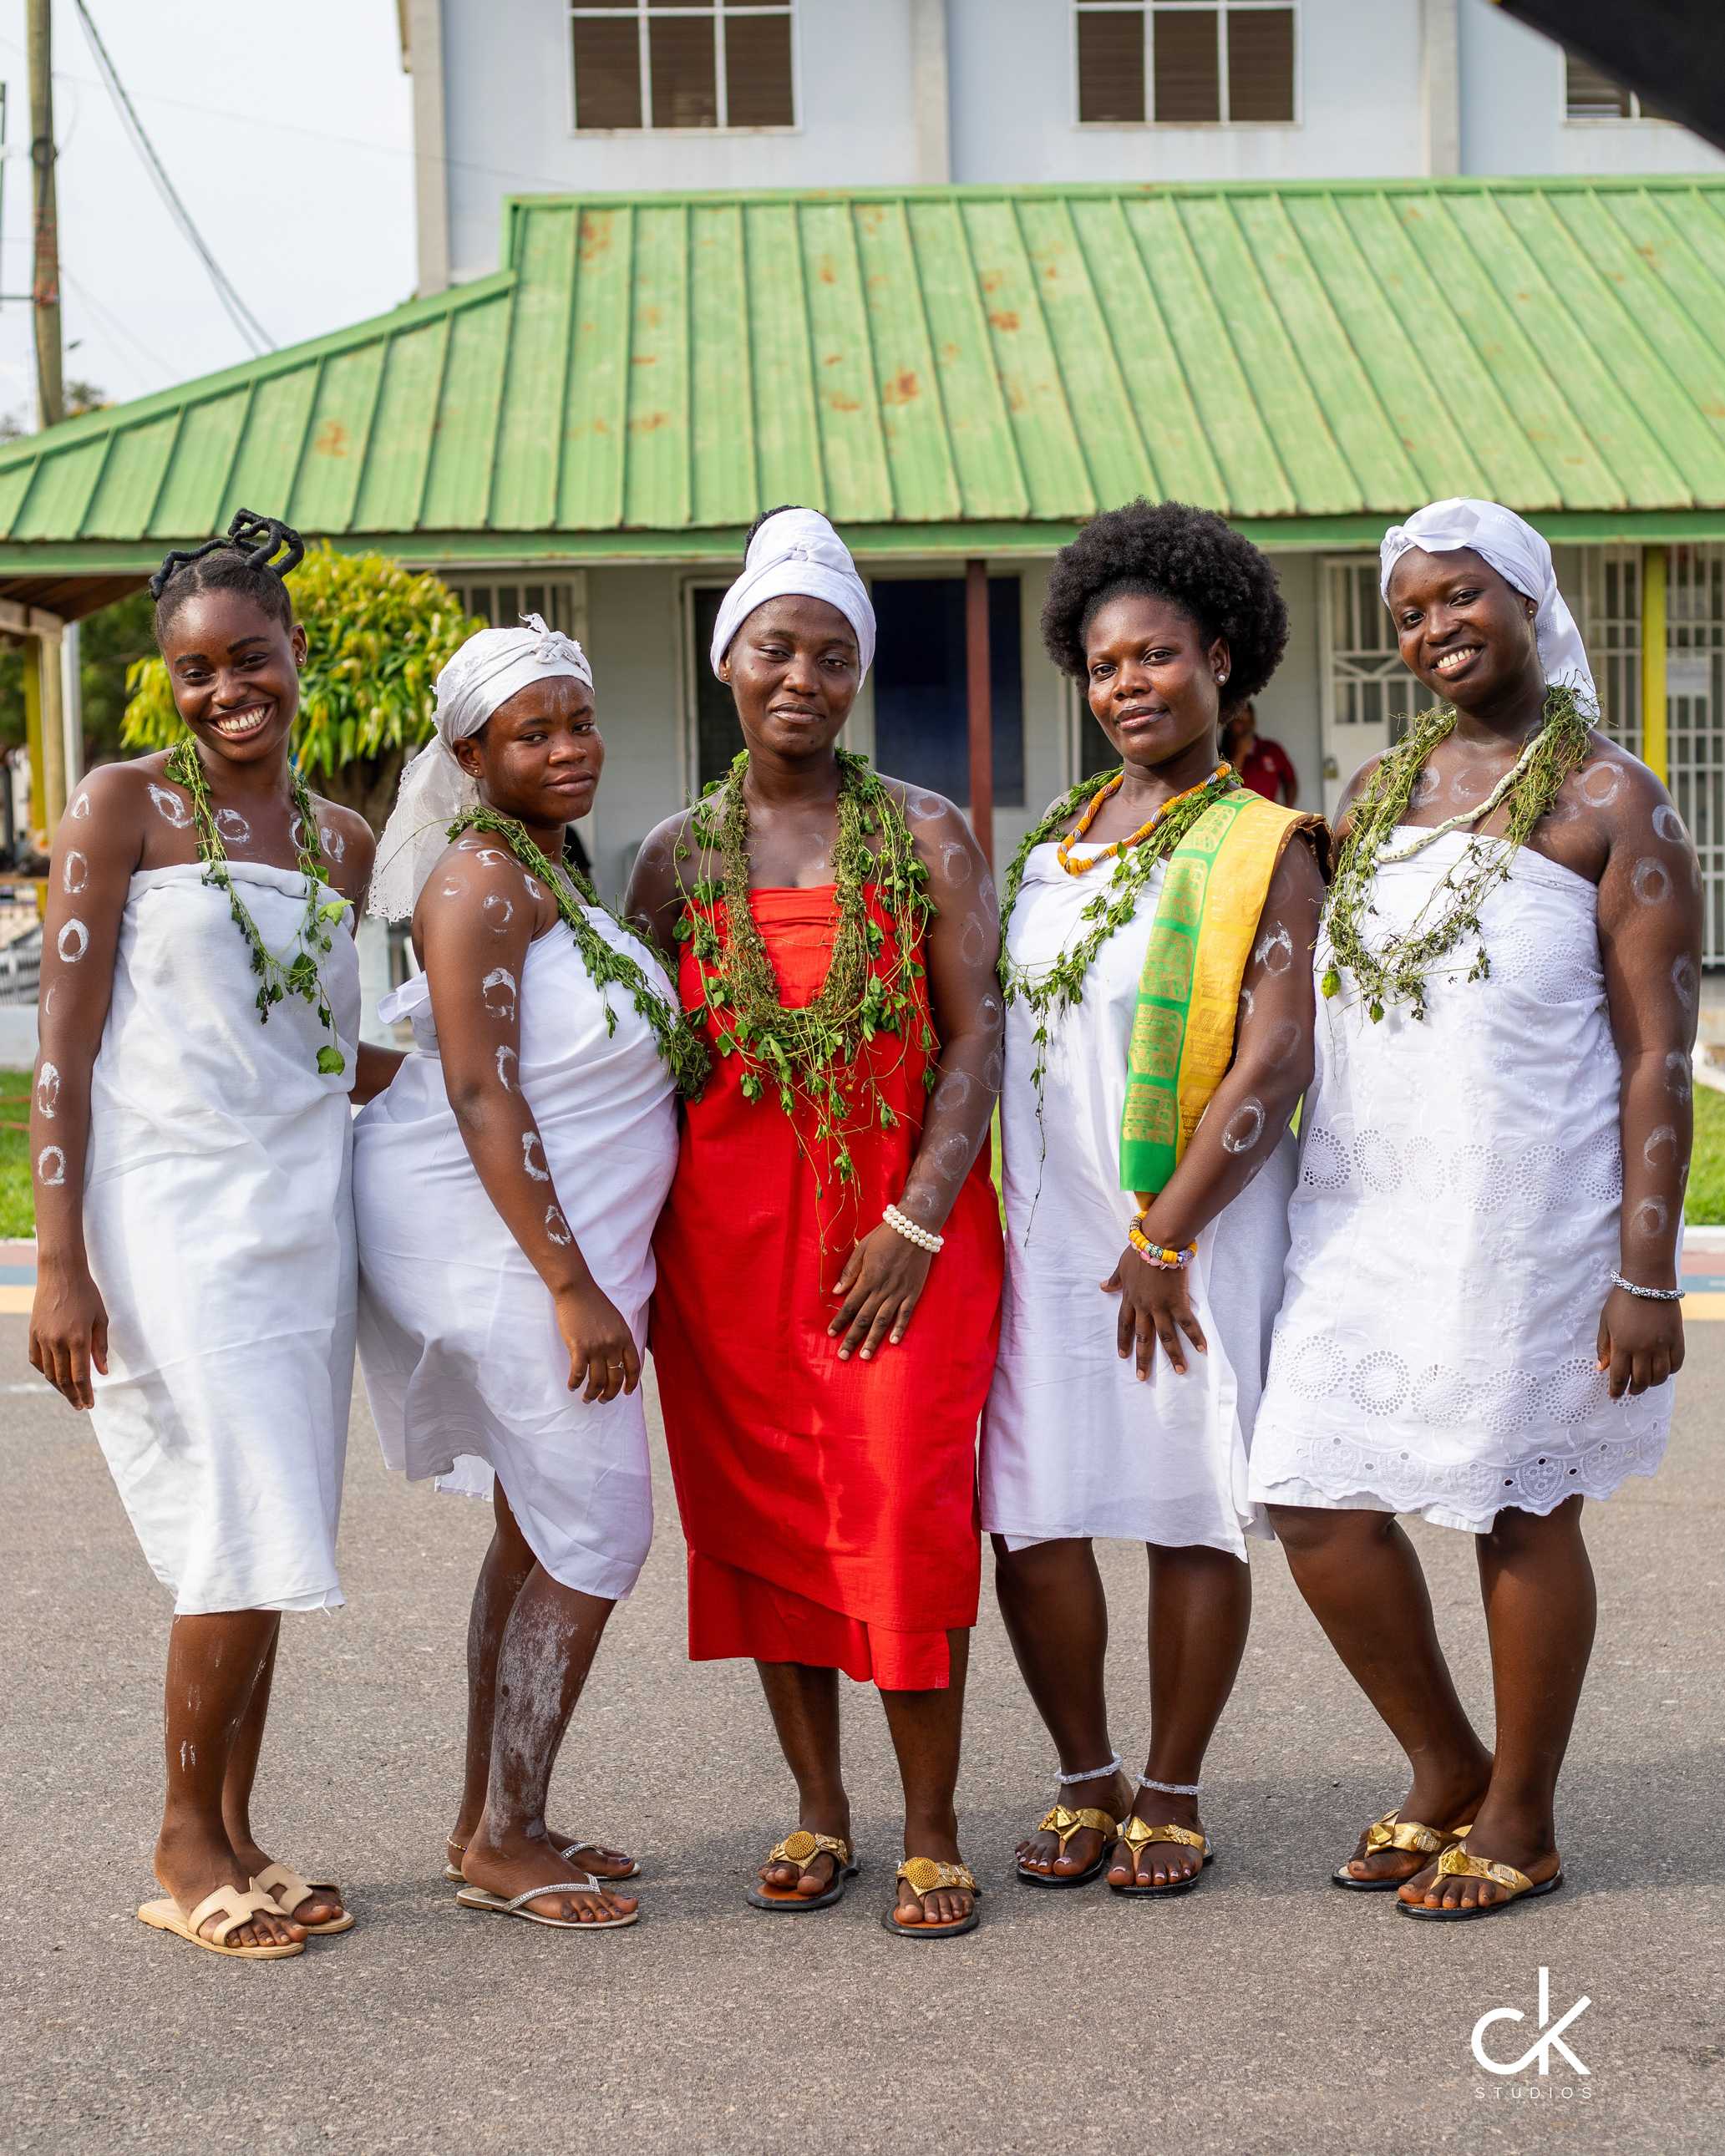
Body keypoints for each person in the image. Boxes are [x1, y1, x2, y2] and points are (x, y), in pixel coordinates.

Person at [1249, 498, 1698, 1920]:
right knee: (1310, 1493)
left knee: (1520, 1507)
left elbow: (1657, 1054)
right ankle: (1444, 1762)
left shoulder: (1614, 801)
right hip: (1368, 1208)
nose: (1434, 626)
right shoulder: (1378, 792)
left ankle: (1523, 1815)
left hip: (1532, 1222)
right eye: (1409, 610)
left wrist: (1647, 1270)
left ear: (1529, 602)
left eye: (1462, 596)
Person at [627, 508, 1005, 1939]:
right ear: (729, 659)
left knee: (907, 1514)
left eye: (833, 655)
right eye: (776, 647)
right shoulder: (673, 860)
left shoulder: (925, 833)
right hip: (727, 1251)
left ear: (858, 677)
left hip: (901, 1248)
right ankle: (820, 1810)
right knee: (766, 1525)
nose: (804, 676)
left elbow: (974, 1040)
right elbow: (642, 1076)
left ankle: (930, 1825)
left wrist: (914, 1218)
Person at [28, 513, 398, 1960]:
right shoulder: (122, 808)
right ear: (167, 683)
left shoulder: (341, 841)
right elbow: (62, 1050)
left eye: (250, 659)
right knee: (240, 1515)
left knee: (271, 1528)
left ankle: (241, 1830)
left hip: (304, 1221)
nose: (225, 689)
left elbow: (322, 1047)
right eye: (195, 670)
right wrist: (61, 1259)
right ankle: (183, 1840)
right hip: (170, 1217)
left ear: (295, 659)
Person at [981, 502, 1328, 1898]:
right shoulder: (1063, 837)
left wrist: (1163, 1232)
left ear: (1221, 662)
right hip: (1050, 1229)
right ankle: (1086, 1777)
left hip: (1188, 1233)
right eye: (1105, 664)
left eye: (1157, 658)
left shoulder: (1263, 840)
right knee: (1035, 1504)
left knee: (1188, 1497)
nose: (1128, 683)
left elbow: (1280, 1049)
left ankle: (1171, 1785)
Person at [356, 616, 702, 1930]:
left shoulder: (547, 870)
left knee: (533, 1528)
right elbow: (479, 1088)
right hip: (511, 1258)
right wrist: (570, 1284)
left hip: (547, 1252)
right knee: (598, 1532)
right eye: (531, 733)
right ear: (469, 752)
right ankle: (505, 1837)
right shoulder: (480, 883)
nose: (568, 750)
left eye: (579, 722)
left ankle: (493, 1817)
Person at [1223, 700, 1300, 806]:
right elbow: (1227, 785)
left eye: (1249, 720)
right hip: (1238, 816)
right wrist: (1240, 753)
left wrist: (1289, 807)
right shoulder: (1220, 752)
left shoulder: (1272, 749)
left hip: (1270, 816)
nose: (1246, 726)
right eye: (1240, 721)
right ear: (1229, 724)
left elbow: (1290, 780)